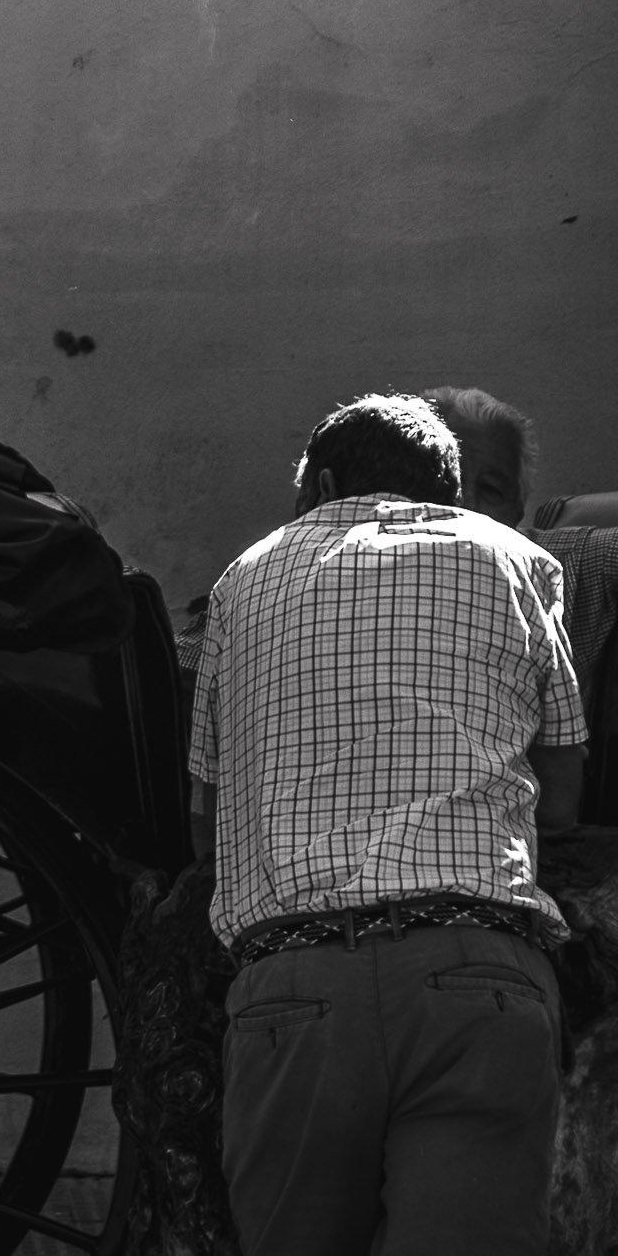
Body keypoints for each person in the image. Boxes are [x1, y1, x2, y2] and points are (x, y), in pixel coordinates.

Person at [187, 392, 586, 1256]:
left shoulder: (244, 576)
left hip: (293, 988)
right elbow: (561, 797)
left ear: (322, 485)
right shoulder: (515, 561)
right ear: (445, 492)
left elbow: (205, 819)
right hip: (478, 975)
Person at [424, 384, 618, 744]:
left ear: (516, 512)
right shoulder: (343, 575)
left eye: (491, 490)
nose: (462, 500)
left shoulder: (566, 560)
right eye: (442, 478)